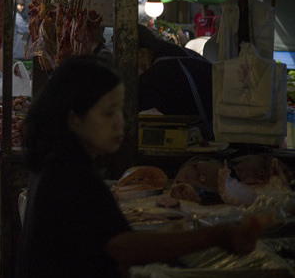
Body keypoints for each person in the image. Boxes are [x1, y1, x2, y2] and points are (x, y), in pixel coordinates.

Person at [17, 55, 267, 277]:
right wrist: (217, 236)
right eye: (107, 113)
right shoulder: (72, 173)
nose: (119, 122)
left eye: (119, 109)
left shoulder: (55, 161)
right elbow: (124, 247)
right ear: (74, 119)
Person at [137, 23, 213, 137]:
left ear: (143, 54)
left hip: (206, 137)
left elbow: (132, 106)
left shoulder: (158, 73)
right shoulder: (180, 52)